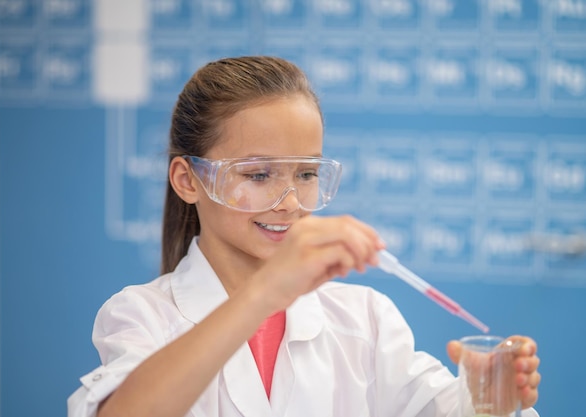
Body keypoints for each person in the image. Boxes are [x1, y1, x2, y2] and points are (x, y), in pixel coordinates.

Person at [68, 56, 540, 417]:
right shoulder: (141, 314)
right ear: (188, 180)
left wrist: (487, 400)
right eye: (257, 175)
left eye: (308, 173)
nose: (290, 202)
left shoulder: (364, 322)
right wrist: (263, 293)